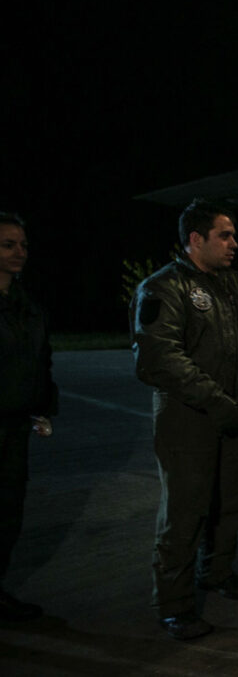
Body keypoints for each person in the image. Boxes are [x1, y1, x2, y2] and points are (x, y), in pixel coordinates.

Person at [132, 199, 238, 641]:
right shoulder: (162, 288)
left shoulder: (230, 287)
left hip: (231, 418)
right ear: (196, 239)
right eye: (224, 235)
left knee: (231, 505)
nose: (234, 244)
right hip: (187, 420)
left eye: (233, 235)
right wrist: (219, 403)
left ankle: (217, 574)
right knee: (185, 513)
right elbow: (159, 359)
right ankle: (174, 605)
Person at [0, 212, 56, 622]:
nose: (20, 252)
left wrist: (41, 405)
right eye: (8, 245)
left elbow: (40, 360)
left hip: (14, 428)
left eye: (23, 245)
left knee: (8, 514)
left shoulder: (28, 306)